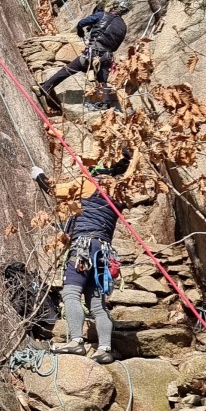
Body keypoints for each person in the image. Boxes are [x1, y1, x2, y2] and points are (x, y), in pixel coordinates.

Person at [54, 154, 130, 363]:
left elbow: (55, 190)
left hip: (83, 247)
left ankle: (76, 341)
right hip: (103, 251)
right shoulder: (120, 193)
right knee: (97, 305)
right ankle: (105, 348)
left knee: (70, 293)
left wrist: (39, 175)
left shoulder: (87, 183)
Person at [38, 0, 131, 113]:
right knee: (103, 80)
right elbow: (115, 47)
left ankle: (45, 87)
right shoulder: (123, 27)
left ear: (114, 5)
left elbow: (82, 23)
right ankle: (105, 103)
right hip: (106, 57)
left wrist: (80, 31)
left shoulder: (101, 15)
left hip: (92, 53)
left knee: (68, 69)